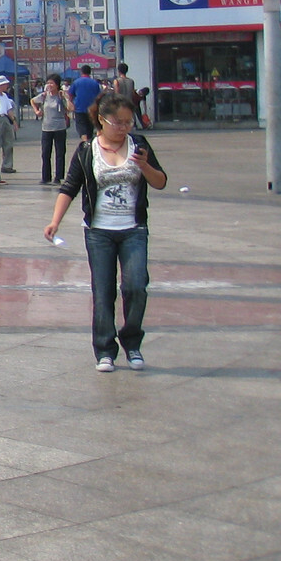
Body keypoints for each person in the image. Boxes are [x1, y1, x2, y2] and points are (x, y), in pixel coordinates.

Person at [46, 93, 169, 372]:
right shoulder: (87, 150)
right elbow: (70, 187)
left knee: (135, 286)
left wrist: (144, 165)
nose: (124, 127)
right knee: (103, 291)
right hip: (99, 232)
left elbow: (161, 182)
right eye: (118, 122)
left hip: (133, 229)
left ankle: (132, 343)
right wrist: (55, 222)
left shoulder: (139, 145)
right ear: (101, 120)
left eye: (128, 122)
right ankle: (104, 350)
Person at [34, 73, 70, 186]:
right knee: (45, 153)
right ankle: (46, 177)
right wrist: (37, 111)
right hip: (46, 127)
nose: (49, 85)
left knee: (60, 153)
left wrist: (66, 97)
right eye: (48, 83)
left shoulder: (60, 96)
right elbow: (33, 101)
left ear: (57, 85)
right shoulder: (44, 95)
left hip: (59, 127)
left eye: (52, 83)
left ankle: (58, 177)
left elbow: (70, 108)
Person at [69, 63, 103, 141]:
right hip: (92, 109)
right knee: (90, 127)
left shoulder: (76, 82)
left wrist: (71, 104)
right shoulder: (95, 83)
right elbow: (99, 96)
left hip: (79, 108)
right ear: (90, 72)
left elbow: (70, 94)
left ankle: (85, 141)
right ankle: (89, 141)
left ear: (81, 72)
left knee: (81, 127)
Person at [0, 76, 18, 174]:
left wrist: (14, 121)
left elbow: (9, 110)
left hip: (5, 118)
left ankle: (7, 166)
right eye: (5, 84)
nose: (7, 86)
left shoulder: (5, 96)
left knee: (8, 143)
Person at [112, 61, 140, 127]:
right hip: (129, 104)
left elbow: (117, 94)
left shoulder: (117, 81)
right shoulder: (131, 81)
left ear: (119, 71)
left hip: (120, 104)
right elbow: (133, 94)